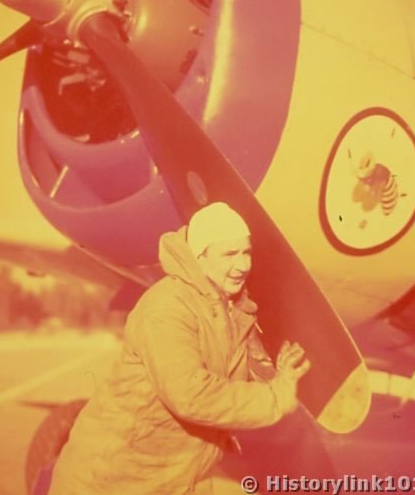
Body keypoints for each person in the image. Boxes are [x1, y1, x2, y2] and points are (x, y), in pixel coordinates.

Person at [47, 202, 310, 495]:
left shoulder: (229, 308)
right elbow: (191, 395)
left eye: (246, 252)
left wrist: (279, 372)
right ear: (200, 257)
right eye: (230, 254)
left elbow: (240, 373)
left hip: (168, 480)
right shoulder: (168, 306)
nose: (243, 265)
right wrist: (275, 397)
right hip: (109, 480)